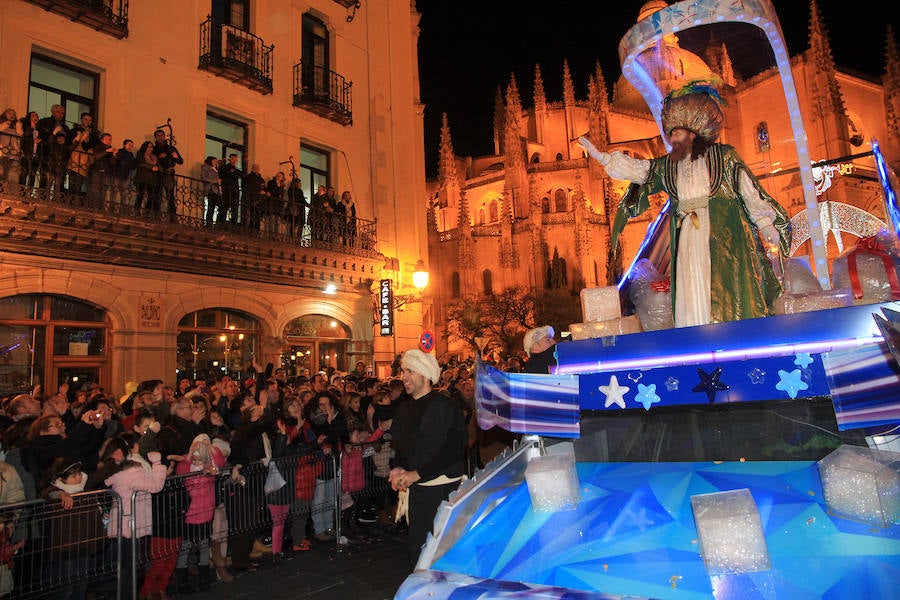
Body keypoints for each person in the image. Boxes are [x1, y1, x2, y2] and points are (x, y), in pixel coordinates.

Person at [578, 82, 790, 327]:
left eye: (677, 133)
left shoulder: (725, 156)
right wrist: (602, 156)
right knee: (690, 279)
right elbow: (642, 171)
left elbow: (748, 191)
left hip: (724, 233)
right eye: (671, 134)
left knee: (724, 282)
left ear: (694, 131)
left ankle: (729, 330)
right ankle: (696, 327)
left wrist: (766, 224)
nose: (672, 138)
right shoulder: (671, 165)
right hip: (688, 232)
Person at [388, 349, 467, 569]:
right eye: (403, 371)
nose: (403, 377)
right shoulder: (404, 409)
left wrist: (417, 473)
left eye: (410, 371)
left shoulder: (445, 407)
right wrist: (398, 468)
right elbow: (401, 447)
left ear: (425, 375)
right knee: (417, 548)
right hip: (418, 491)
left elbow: (453, 450)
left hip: (443, 490)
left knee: (441, 550)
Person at [151, 128, 183, 220]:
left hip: (169, 174)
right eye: (158, 136)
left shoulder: (170, 148)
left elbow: (180, 161)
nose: (160, 137)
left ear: (164, 137)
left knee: (170, 196)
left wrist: (175, 157)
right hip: (158, 174)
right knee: (157, 195)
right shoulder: (154, 149)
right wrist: (158, 157)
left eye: (162, 135)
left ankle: (172, 217)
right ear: (155, 138)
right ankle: (156, 215)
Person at [200, 155, 222, 226]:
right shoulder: (206, 167)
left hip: (216, 190)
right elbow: (204, 177)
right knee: (211, 207)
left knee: (215, 207)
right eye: (214, 161)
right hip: (210, 189)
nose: (216, 163)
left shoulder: (215, 169)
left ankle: (213, 222)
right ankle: (209, 223)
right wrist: (214, 181)